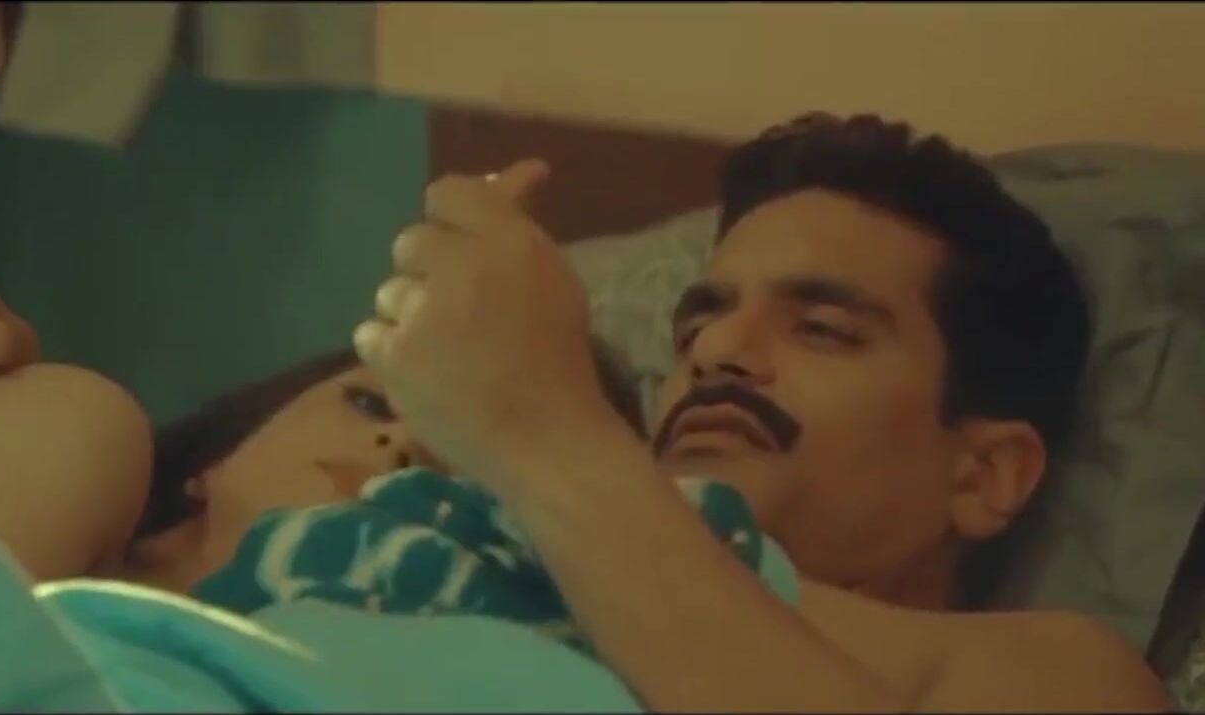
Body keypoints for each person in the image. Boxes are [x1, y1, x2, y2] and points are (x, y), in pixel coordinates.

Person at [353, 112, 1171, 711]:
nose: (717, 350)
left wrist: (544, 430)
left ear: (985, 474)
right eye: (694, 327)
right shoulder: (468, 547)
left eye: (822, 330)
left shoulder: (1059, 675)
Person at [0, 264, 646, 594]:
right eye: (370, 406)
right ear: (219, 457)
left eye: (463, 469)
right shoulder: (84, 432)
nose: (397, 448)